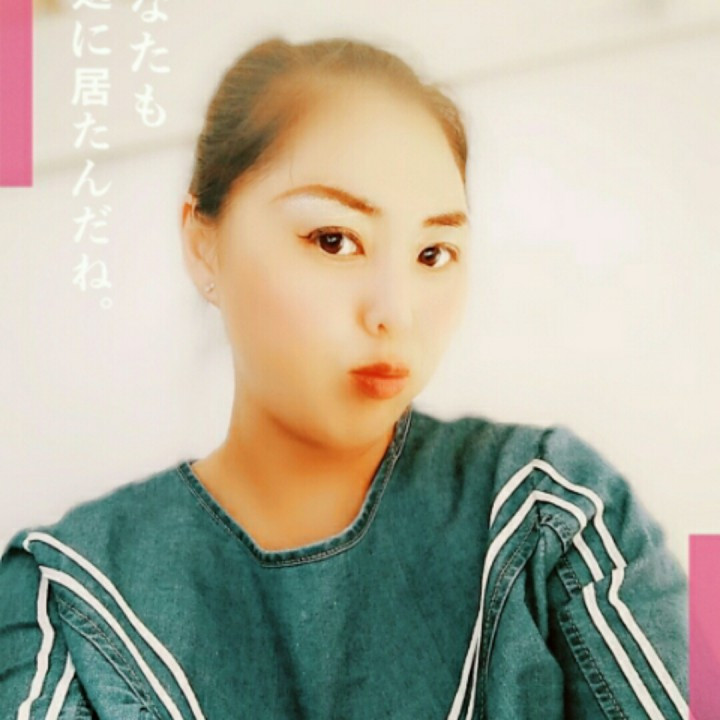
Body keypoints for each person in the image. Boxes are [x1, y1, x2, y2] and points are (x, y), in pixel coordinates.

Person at [0, 36, 687, 719]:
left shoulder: (557, 508)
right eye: (335, 240)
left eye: (433, 252)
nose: (395, 312)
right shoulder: (61, 593)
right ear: (203, 243)